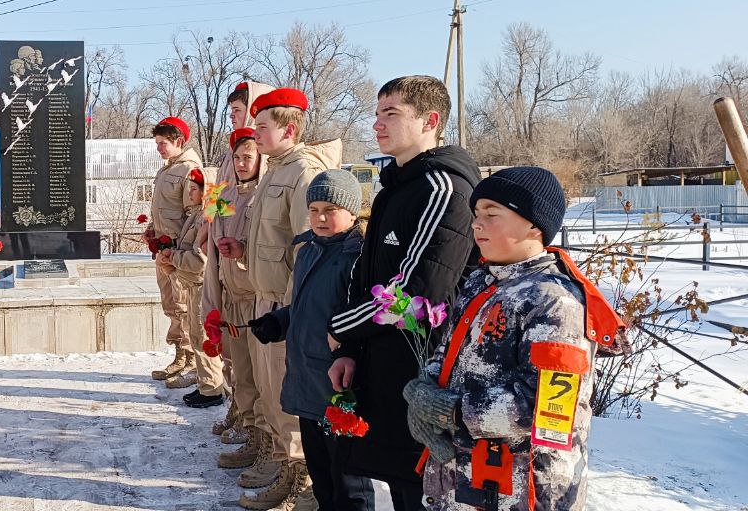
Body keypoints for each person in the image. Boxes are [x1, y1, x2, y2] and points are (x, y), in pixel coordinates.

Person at [405, 167, 623, 511]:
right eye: (476, 214)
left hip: (521, 491)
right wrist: (422, 391)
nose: (476, 224)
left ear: (534, 225)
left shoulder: (554, 302)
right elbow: (446, 353)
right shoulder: (481, 283)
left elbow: (549, 408)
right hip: (462, 480)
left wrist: (453, 412)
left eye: (492, 214)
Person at [327, 75, 481, 511]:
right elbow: (365, 271)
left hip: (422, 368)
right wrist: (350, 348)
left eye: (391, 113)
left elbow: (415, 292)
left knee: (419, 490)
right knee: (392, 480)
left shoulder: (443, 189)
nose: (377, 123)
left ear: (430, 121)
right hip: (382, 361)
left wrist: (341, 326)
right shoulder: (395, 185)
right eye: (377, 113)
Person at [248, 170, 376, 511]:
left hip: (337, 386)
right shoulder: (307, 250)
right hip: (307, 379)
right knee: (322, 476)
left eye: (330, 209)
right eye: (314, 208)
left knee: (348, 479)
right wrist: (279, 321)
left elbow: (357, 318)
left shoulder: (358, 257)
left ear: (352, 212)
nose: (320, 217)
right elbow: (305, 307)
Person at [242, 87, 344, 510]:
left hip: (287, 305)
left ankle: (301, 481)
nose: (256, 134)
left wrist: (290, 312)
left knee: (291, 400)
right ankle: (282, 463)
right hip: (265, 299)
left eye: (263, 127)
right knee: (270, 392)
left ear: (290, 127)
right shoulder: (275, 169)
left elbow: (309, 247)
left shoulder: (303, 171)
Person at [206, 82, 273, 475]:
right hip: (227, 280)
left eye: (238, 109)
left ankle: (265, 439)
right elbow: (213, 215)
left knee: (262, 375)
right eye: (231, 110)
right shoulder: (226, 165)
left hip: (257, 292)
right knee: (237, 364)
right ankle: (244, 417)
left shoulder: (270, 171)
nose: (234, 115)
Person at [146, 116, 204, 384]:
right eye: (157, 143)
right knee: (171, 303)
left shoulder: (189, 169)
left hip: (178, 251)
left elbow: (193, 212)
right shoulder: (166, 169)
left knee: (183, 304)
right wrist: (152, 230)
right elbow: (163, 208)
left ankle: (191, 360)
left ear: (179, 141)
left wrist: (180, 248)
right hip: (163, 249)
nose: (159, 148)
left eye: (163, 143)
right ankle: (180, 355)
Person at [160, 168, 212, 393]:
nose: (189, 194)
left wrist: (174, 258)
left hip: (201, 284)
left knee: (202, 336)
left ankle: (210, 387)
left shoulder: (209, 217)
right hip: (191, 283)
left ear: (206, 191)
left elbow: (201, 259)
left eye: (193, 189)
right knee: (195, 332)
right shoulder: (197, 213)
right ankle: (202, 379)